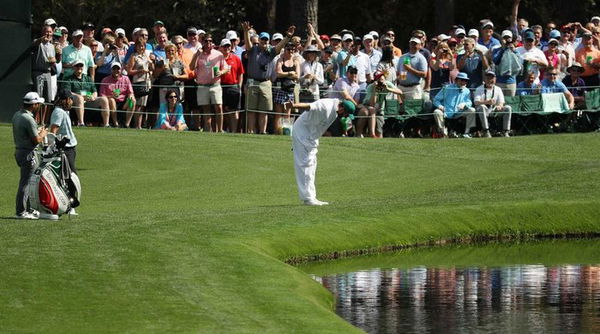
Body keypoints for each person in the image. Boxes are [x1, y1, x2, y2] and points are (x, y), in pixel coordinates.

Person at [286, 98, 356, 206]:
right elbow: (308, 106)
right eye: (346, 114)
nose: (346, 117)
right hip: (303, 133)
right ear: (341, 108)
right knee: (305, 164)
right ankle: (308, 198)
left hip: (311, 136)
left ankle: (311, 197)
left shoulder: (335, 111)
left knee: (312, 164)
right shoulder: (326, 106)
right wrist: (293, 106)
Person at [241, 21, 292, 134]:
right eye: (262, 39)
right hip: (253, 81)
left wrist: (288, 37)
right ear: (259, 40)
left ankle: (262, 132)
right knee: (251, 110)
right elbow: (248, 45)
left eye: (266, 40)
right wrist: (245, 31)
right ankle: (251, 131)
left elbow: (280, 46)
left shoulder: (271, 51)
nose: (264, 41)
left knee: (264, 110)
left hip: (265, 83)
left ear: (269, 41)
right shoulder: (253, 49)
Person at [12, 92, 47, 219]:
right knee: (26, 183)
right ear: (33, 105)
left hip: (20, 151)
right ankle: (21, 212)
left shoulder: (17, 114)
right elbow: (37, 140)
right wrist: (42, 133)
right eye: (38, 104)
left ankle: (28, 209)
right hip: (28, 153)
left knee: (27, 182)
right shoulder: (28, 119)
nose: (39, 106)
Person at [189, 34, 227, 132]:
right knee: (206, 109)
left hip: (215, 85)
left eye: (210, 41)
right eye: (206, 41)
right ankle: (208, 130)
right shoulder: (198, 54)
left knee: (218, 107)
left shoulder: (218, 54)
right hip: (202, 86)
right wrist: (197, 55)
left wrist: (221, 72)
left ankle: (220, 130)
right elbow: (191, 67)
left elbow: (226, 68)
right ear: (202, 42)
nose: (208, 43)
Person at [60, 59, 111, 127]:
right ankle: (81, 123)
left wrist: (93, 96)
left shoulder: (88, 78)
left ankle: (106, 124)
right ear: (73, 67)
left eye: (81, 65)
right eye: (77, 65)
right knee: (80, 98)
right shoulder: (68, 78)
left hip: (89, 100)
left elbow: (95, 91)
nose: (79, 67)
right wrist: (82, 97)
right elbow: (68, 92)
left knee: (104, 99)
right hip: (74, 100)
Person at [356, 70, 403, 138]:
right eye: (379, 80)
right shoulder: (371, 87)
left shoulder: (387, 84)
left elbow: (400, 92)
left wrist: (388, 89)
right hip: (367, 106)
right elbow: (372, 104)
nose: (381, 82)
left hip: (379, 111)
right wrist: (375, 90)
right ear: (376, 80)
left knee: (380, 135)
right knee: (371, 110)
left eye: (382, 80)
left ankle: (373, 135)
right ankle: (370, 134)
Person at [432, 72, 476, 138]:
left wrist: (464, 104)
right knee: (437, 112)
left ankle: (467, 133)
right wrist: (440, 106)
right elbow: (436, 100)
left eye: (465, 81)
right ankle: (444, 133)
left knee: (472, 110)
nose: (463, 82)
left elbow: (469, 102)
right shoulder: (447, 88)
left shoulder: (467, 91)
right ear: (456, 80)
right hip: (446, 112)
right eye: (461, 80)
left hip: (459, 113)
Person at [31, 25, 58, 125]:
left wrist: (55, 60)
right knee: (38, 98)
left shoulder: (52, 46)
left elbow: (54, 60)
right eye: (47, 32)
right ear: (42, 33)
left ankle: (43, 121)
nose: (49, 34)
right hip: (38, 72)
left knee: (47, 99)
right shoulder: (38, 42)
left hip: (48, 73)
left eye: (50, 32)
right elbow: (34, 43)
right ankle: (34, 120)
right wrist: (41, 39)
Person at [474, 70, 512, 138]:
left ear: (495, 79)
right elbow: (476, 102)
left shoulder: (498, 89)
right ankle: (486, 131)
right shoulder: (479, 88)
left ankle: (506, 131)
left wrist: (500, 106)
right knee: (482, 106)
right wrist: (487, 102)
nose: (490, 80)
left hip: (494, 109)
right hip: (483, 110)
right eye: (488, 78)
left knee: (508, 108)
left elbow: (502, 102)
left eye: (492, 78)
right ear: (485, 79)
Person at [274, 42, 301, 133]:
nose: (291, 51)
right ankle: (277, 132)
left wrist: (285, 75)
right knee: (278, 114)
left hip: (290, 90)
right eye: (289, 49)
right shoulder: (280, 60)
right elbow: (278, 73)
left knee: (287, 114)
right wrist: (290, 73)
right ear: (285, 50)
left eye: (293, 50)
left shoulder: (296, 61)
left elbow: (297, 76)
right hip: (280, 89)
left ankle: (286, 132)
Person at [126, 40, 153, 129]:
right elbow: (129, 71)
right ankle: (136, 125)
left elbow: (151, 68)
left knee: (142, 105)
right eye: (139, 46)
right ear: (136, 47)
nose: (141, 48)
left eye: (142, 46)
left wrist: (152, 62)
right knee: (137, 105)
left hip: (147, 82)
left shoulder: (146, 56)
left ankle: (139, 125)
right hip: (138, 82)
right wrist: (140, 71)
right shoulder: (133, 56)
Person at [219, 38, 245, 133]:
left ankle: (233, 132)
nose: (227, 48)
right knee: (223, 110)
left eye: (228, 46)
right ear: (221, 47)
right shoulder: (218, 58)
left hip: (233, 86)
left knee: (233, 111)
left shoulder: (236, 58)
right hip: (220, 86)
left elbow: (240, 73)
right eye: (225, 46)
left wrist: (239, 86)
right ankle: (224, 130)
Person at [100, 62, 136, 127]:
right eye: (114, 69)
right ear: (111, 70)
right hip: (110, 102)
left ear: (121, 69)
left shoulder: (126, 79)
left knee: (132, 100)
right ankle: (115, 123)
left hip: (123, 102)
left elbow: (131, 92)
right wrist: (111, 96)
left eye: (118, 69)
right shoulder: (105, 80)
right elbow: (102, 95)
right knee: (112, 100)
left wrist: (130, 96)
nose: (116, 71)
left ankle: (127, 124)